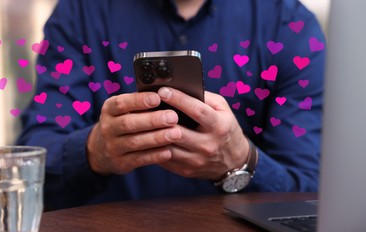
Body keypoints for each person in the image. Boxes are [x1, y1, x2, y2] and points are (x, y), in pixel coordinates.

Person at [17, 0, 325, 211]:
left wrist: (241, 161)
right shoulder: (80, 13)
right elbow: (29, 171)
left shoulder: (290, 26)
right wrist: (95, 152)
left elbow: (308, 198)